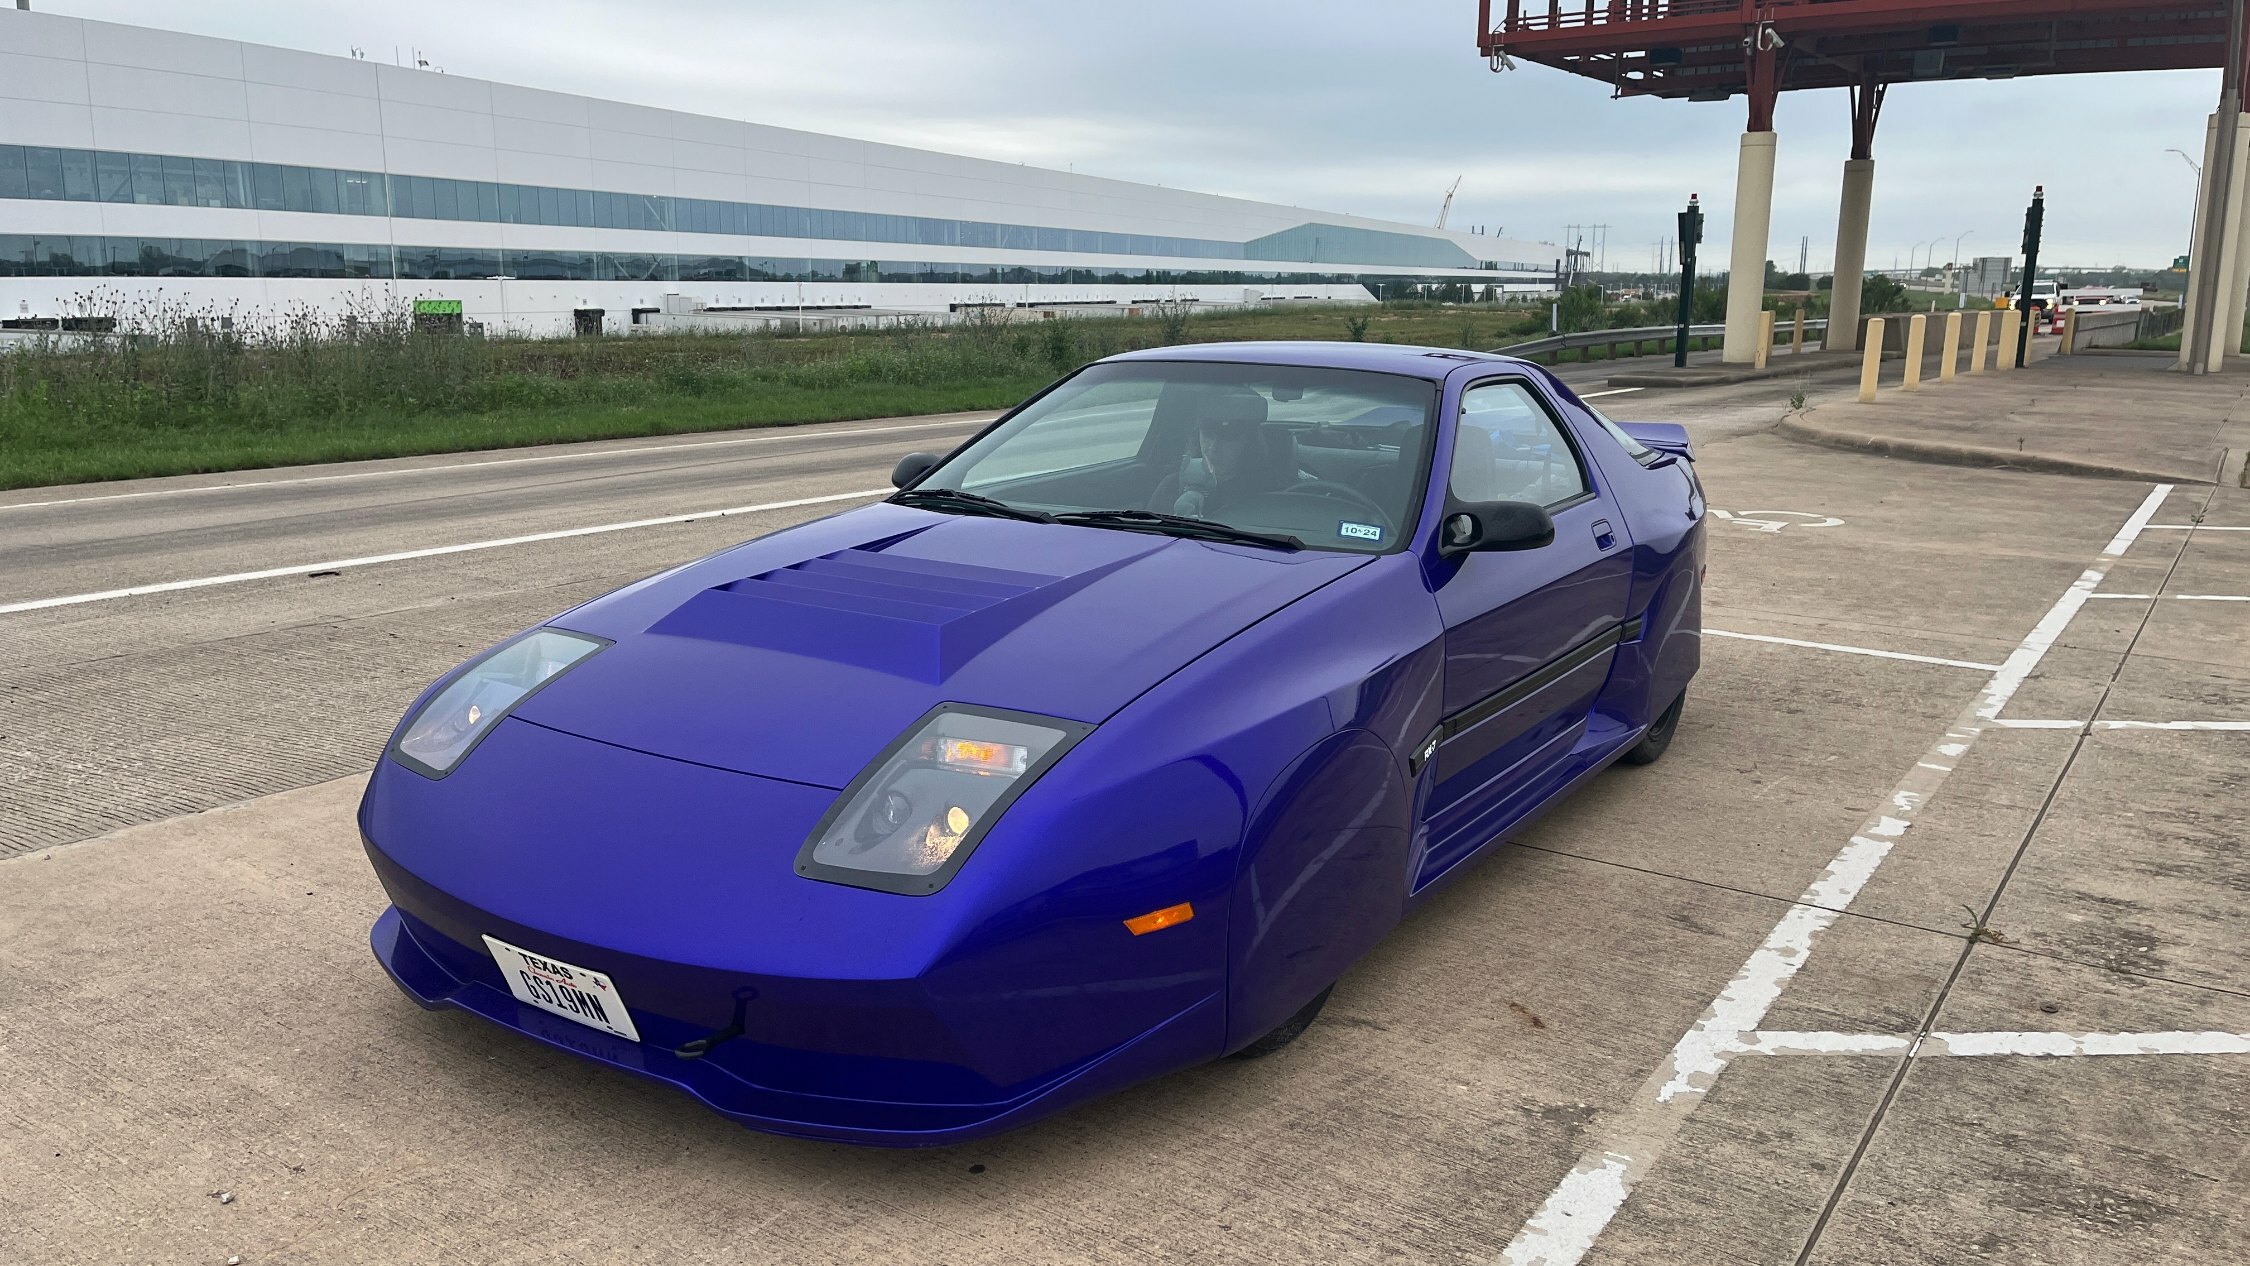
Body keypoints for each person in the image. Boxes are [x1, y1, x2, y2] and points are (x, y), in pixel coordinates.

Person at [1148, 389, 1299, 517]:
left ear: (1248, 444)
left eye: (1228, 438)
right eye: (1207, 434)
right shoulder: (1171, 487)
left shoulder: (1268, 493)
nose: (1213, 447)